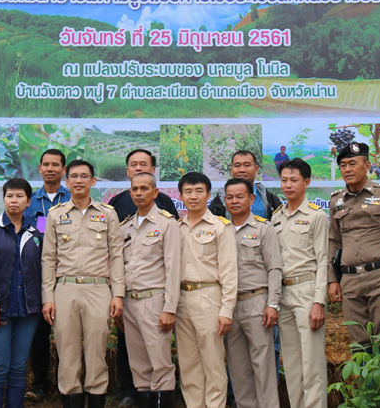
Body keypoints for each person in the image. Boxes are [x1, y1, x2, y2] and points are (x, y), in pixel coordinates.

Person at [41, 160, 125, 408]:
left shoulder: (108, 214)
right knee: (67, 352)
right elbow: (48, 259)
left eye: (84, 176)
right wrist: (48, 296)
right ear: (66, 182)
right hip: (65, 289)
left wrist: (117, 294)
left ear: (93, 181)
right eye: (74, 176)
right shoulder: (54, 215)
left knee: (97, 351)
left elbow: (117, 256)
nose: (79, 180)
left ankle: (97, 396)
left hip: (99, 288)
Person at [106, 148, 178, 406]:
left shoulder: (167, 223)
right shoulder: (125, 226)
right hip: (130, 304)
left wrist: (169, 308)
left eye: (144, 189)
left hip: (154, 302)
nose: (138, 193)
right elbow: (117, 265)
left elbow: (173, 269)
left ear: (155, 192)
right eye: (134, 189)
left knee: (160, 364)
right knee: (139, 367)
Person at [327, 143, 380, 349]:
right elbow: (334, 241)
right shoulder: (336, 200)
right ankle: (367, 383)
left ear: (368, 165)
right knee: (360, 345)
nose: (347, 169)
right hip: (350, 280)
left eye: (353, 163)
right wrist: (332, 280)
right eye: (343, 165)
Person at [0, 179, 43, 408]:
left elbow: (43, 269)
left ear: (28, 201)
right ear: (3, 199)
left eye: (19, 196)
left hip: (28, 311)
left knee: (19, 366)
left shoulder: (36, 232)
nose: (14, 200)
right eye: (9, 196)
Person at [175, 172, 237, 408]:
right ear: (180, 196)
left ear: (209, 195)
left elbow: (230, 272)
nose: (193, 196)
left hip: (209, 298)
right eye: (188, 191)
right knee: (189, 365)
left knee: (213, 364)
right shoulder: (176, 227)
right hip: (181, 301)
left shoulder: (221, 227)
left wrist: (226, 310)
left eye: (199, 191)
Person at [273, 159, 330, 408]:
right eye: (284, 180)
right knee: (293, 364)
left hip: (307, 292)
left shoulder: (316, 216)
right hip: (282, 295)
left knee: (312, 364)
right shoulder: (276, 217)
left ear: (306, 182)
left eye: (293, 180)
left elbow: (324, 261)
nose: (288, 185)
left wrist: (319, 301)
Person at [222, 178, 282, 408]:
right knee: (238, 369)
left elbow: (274, 268)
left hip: (257, 303)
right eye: (230, 197)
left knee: (264, 367)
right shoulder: (220, 230)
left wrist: (272, 304)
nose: (234, 201)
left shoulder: (263, 229)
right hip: (229, 306)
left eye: (239, 196)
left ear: (251, 199)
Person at [22, 149, 70, 402]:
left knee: (66, 334)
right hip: (37, 278)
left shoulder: (74, 197)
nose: (50, 168)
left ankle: (66, 384)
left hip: (66, 277)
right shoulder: (30, 201)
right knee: (39, 336)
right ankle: (40, 384)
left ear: (64, 170)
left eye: (56, 165)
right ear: (39, 168)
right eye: (46, 164)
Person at [210, 150, 282, 220]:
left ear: (256, 170)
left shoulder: (271, 200)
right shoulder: (218, 202)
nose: (242, 170)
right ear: (231, 171)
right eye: (237, 166)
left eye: (247, 165)